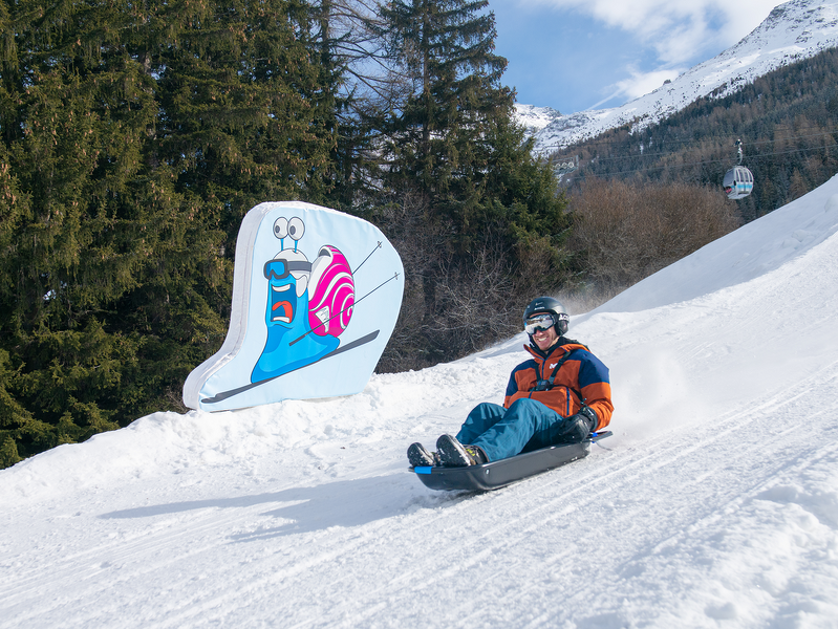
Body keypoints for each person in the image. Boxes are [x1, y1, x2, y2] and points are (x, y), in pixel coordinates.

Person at [408, 296, 613, 468]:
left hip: (560, 429)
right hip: (527, 432)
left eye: (544, 322)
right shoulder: (521, 371)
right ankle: (450, 455)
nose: (539, 331)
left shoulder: (582, 360)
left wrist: (586, 419)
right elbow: (509, 416)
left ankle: (478, 455)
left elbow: (603, 404)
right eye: (532, 325)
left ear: (560, 323)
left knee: (526, 406)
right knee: (485, 411)